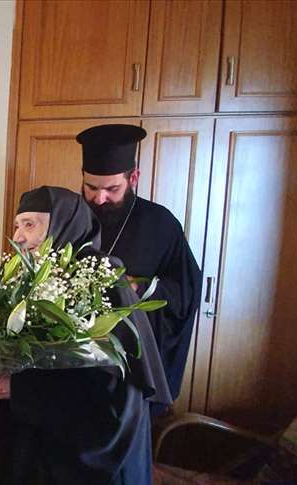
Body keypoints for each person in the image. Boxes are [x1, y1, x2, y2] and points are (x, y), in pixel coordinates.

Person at [0, 186, 172, 484]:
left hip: (79, 461)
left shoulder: (102, 283)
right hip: (29, 445)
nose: (18, 237)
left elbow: (114, 389)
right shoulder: (26, 282)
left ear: (64, 224)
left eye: (30, 225)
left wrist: (17, 389)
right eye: (17, 225)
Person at [76, 124, 202, 413]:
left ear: (133, 178)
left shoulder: (160, 223)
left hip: (133, 367)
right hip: (76, 368)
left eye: (112, 189)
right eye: (91, 188)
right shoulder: (70, 216)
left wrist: (139, 288)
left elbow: (187, 290)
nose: (99, 198)